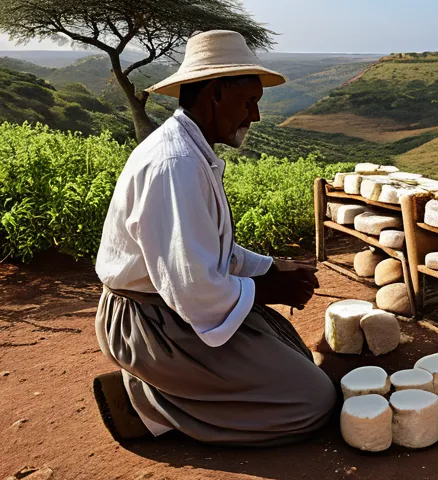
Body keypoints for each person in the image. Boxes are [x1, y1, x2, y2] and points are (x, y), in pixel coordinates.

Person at [92, 30, 336, 445]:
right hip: (151, 323)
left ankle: (179, 388)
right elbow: (194, 288)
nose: (254, 116)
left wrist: (272, 267)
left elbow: (209, 250)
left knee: (290, 348)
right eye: (249, 102)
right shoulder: (176, 165)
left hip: (168, 311)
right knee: (312, 402)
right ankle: (147, 403)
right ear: (216, 94)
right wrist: (269, 288)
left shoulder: (191, 151)